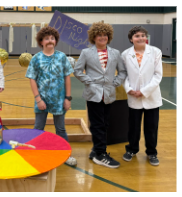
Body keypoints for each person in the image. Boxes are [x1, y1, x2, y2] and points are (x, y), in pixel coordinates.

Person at [74, 22, 127, 168]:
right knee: (97, 124)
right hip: (93, 93)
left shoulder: (115, 53)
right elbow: (78, 71)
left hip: (109, 94)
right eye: (99, 35)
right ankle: (100, 154)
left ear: (108, 37)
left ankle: (95, 150)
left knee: (105, 123)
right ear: (94, 37)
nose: (102, 37)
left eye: (105, 35)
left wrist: (116, 82)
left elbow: (122, 72)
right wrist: (89, 81)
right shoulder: (86, 53)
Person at [25, 26, 77, 166]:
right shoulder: (36, 59)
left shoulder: (61, 57)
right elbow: (32, 79)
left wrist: (68, 98)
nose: (50, 41)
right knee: (38, 128)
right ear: (41, 41)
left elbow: (67, 78)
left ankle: (65, 154)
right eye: (46, 38)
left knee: (60, 128)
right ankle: (35, 153)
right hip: (41, 101)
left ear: (56, 41)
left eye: (52, 38)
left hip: (59, 101)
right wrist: (38, 99)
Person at [121, 26, 162, 166]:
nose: (140, 38)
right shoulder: (125, 54)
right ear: (131, 39)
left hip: (151, 98)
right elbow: (124, 75)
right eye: (137, 36)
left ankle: (152, 152)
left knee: (151, 127)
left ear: (146, 37)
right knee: (133, 127)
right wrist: (129, 89)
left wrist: (144, 91)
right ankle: (131, 149)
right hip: (133, 97)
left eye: (143, 35)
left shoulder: (155, 52)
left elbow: (158, 75)